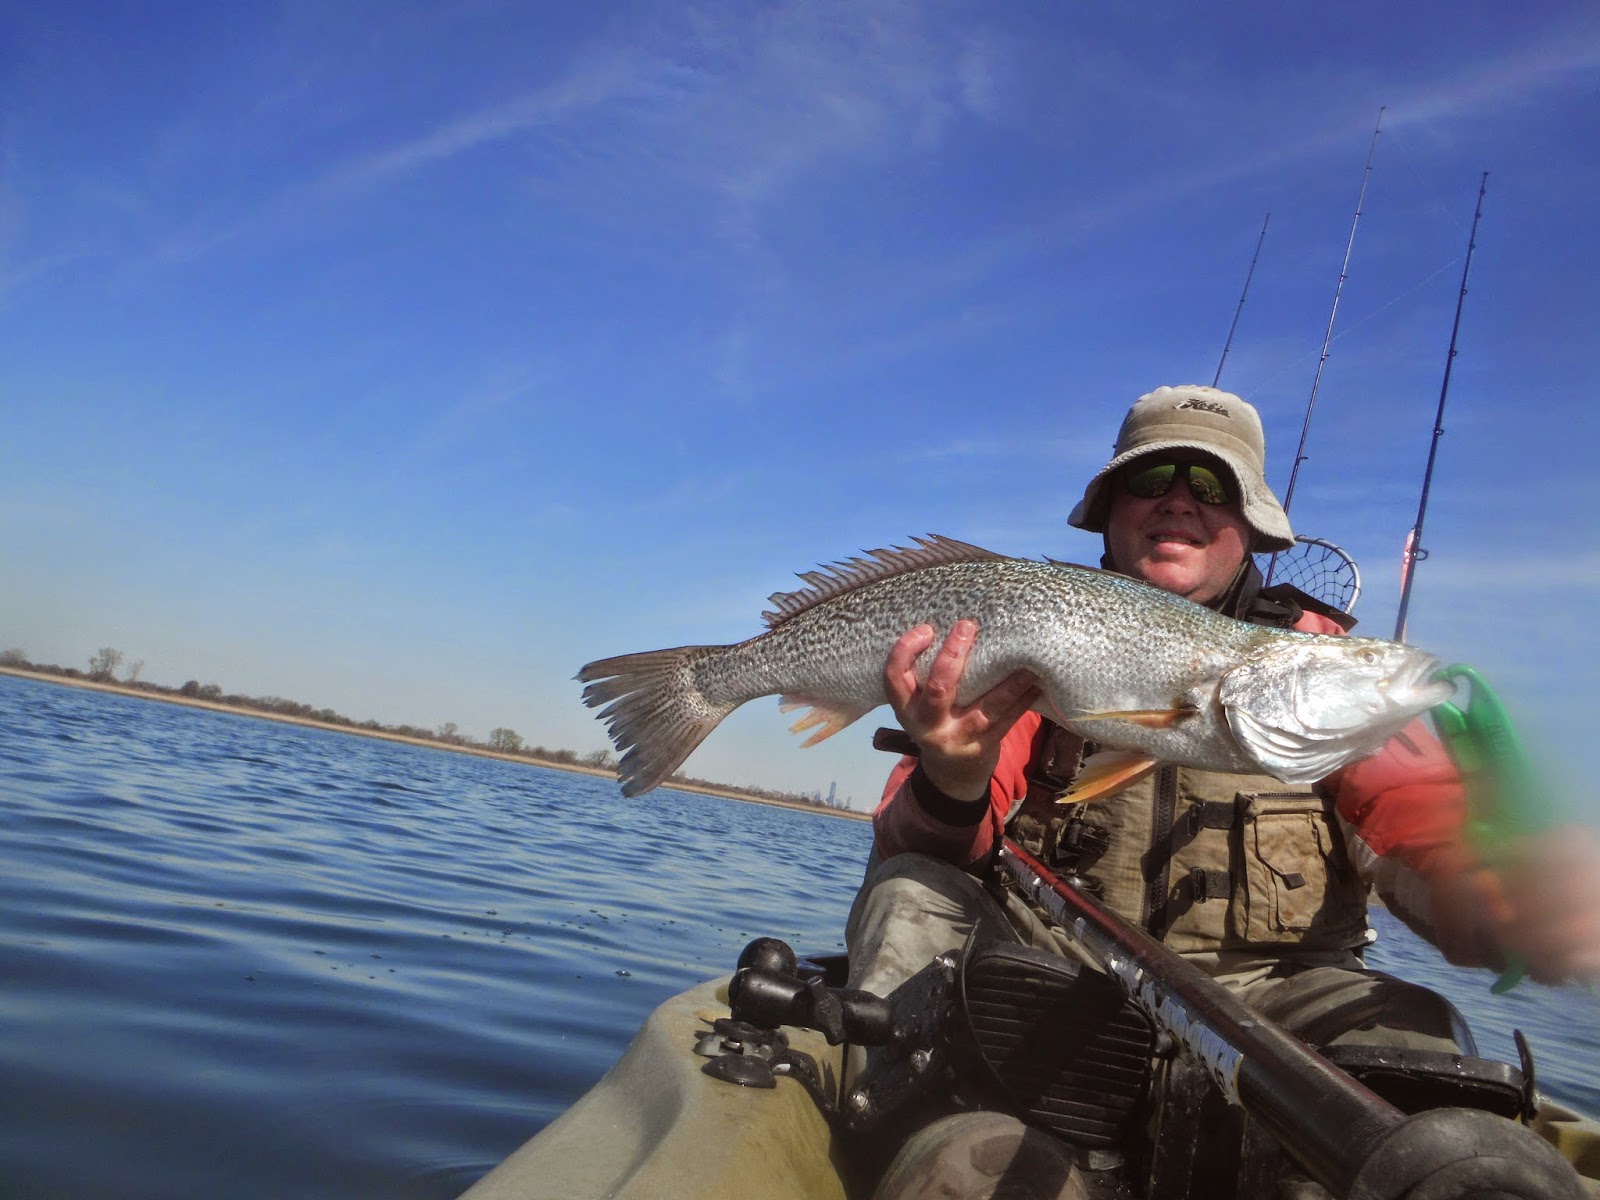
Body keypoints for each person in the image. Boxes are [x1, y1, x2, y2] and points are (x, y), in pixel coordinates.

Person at [844, 385, 1600, 1198]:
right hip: (1052, 981)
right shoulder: (1033, 625)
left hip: (1281, 1008)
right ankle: (933, 1137)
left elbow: (1427, 838)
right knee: (910, 892)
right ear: (1108, 511)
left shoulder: (1321, 665)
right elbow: (913, 845)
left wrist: (1510, 896)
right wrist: (954, 778)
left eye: (1213, 485)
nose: (1179, 501)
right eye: (1151, 478)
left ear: (1252, 523)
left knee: (1423, 1050)